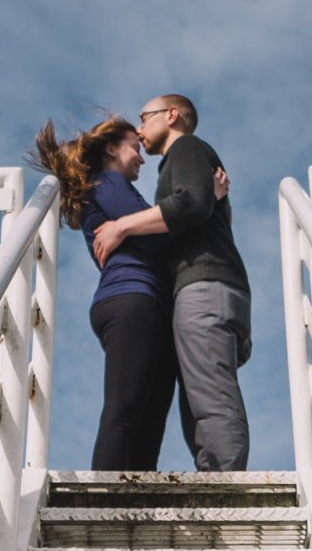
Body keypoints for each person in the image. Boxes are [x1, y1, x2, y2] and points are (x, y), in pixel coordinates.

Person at [93, 93, 251, 470]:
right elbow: (201, 211)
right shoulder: (179, 164)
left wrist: (122, 225)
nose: (140, 128)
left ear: (172, 115)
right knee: (197, 396)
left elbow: (192, 205)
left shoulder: (187, 149)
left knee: (208, 395)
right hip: (204, 286)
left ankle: (226, 489)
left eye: (145, 118)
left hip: (205, 286)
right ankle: (215, 476)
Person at [27, 115, 180, 470]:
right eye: (134, 148)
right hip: (132, 300)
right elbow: (165, 234)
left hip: (149, 303)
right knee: (126, 410)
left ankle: (136, 499)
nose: (142, 158)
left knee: (149, 417)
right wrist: (205, 209)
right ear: (111, 148)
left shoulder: (116, 188)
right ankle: (102, 498)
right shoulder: (107, 182)